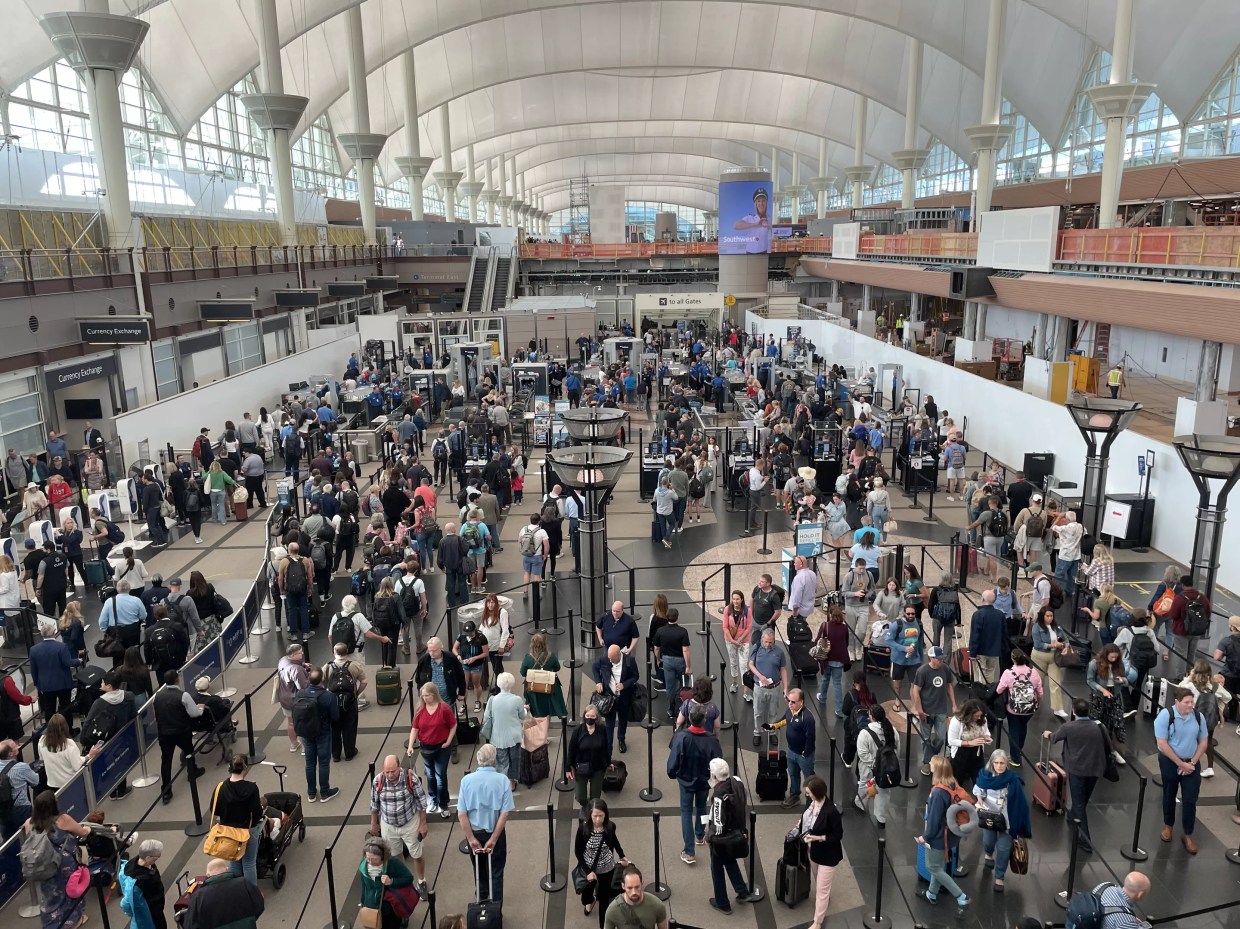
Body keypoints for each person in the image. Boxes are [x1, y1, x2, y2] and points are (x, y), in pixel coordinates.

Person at [1044, 698, 1112, 853]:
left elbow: (1054, 738)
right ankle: (1073, 815)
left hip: (1077, 770)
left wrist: (1048, 734)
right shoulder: (1099, 726)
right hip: (1095, 768)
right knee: (1083, 798)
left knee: (1080, 803)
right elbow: (1108, 744)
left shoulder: (1068, 727)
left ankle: (1086, 840)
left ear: (1073, 711)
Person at [457, 743, 515, 904]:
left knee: (479, 870)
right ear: (494, 760)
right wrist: (494, 839)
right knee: (496, 872)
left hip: (475, 833)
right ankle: (496, 908)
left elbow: (462, 814)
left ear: (478, 759)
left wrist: (470, 839)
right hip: (494, 831)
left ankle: (481, 902)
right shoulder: (502, 780)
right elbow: (504, 813)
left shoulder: (466, 781)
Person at [26, 789, 93, 929]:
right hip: (64, 864)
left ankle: (52, 924)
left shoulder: (29, 823)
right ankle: (73, 921)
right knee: (70, 891)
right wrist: (88, 829)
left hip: (43, 865)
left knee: (50, 895)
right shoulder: (62, 820)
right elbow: (82, 832)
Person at [1154, 687, 1209, 855]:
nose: (1191, 705)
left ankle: (1188, 833)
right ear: (1177, 702)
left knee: (1190, 799)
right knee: (1169, 793)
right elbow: (1162, 743)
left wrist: (1192, 762)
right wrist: (1180, 763)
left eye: (1192, 702)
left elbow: (1203, 741)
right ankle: (1168, 825)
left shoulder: (1198, 717)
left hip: (1191, 763)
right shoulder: (1165, 716)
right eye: (1187, 702)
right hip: (1170, 762)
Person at [916, 755, 971, 914]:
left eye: (932, 764)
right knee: (937, 865)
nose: (930, 766)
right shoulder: (952, 782)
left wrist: (925, 837)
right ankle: (931, 894)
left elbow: (933, 821)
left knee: (933, 867)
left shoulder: (938, 793)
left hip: (940, 837)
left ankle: (961, 896)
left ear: (938, 769)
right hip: (952, 834)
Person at [667, 705, 722, 865]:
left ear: (690, 718)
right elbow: (718, 759)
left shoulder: (681, 736)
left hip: (685, 781)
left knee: (685, 812)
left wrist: (672, 773)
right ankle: (700, 835)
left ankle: (689, 851)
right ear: (704, 720)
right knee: (702, 808)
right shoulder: (711, 739)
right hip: (704, 781)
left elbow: (673, 760)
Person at [972, 749, 1033, 894]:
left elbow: (1020, 801)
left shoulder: (1013, 780)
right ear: (992, 763)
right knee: (988, 842)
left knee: (1004, 850)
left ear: (1006, 764)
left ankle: (999, 877)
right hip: (989, 817)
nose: (999, 766)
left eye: (1002, 763)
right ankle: (988, 854)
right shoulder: (984, 776)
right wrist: (979, 798)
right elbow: (978, 789)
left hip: (1007, 820)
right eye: (997, 763)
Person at [369, 754, 429, 892]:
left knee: (417, 854)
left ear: (399, 768)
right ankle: (404, 879)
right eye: (387, 771)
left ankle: (421, 881)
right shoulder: (378, 780)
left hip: (410, 823)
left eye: (393, 771)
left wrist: (423, 824)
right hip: (388, 825)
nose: (390, 775)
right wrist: (374, 823)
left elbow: (421, 802)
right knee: (395, 856)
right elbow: (374, 804)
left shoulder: (410, 778)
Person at [702, 759, 753, 913]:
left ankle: (722, 902)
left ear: (714, 776)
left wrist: (709, 837)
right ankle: (741, 890)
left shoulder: (718, 795)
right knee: (728, 859)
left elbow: (718, 824)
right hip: (736, 831)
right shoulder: (737, 782)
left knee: (716, 868)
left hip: (722, 838)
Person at [207, 754, 265, 885]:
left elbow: (214, 810)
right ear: (245, 768)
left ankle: (237, 890)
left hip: (227, 832)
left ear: (229, 767)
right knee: (249, 863)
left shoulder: (220, 787)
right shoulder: (251, 788)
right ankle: (251, 894)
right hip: (247, 831)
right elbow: (257, 813)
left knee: (233, 860)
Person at [152, 670, 207, 804]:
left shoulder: (157, 696)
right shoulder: (184, 695)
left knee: (166, 761)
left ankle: (166, 792)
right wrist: (201, 709)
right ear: (177, 680)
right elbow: (194, 714)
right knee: (189, 752)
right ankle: (192, 772)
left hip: (164, 733)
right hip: (182, 731)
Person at [797, 774, 843, 929]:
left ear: (816, 793)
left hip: (828, 855)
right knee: (819, 882)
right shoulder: (812, 802)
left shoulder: (831, 812)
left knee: (822, 890)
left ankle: (817, 922)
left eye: (808, 792)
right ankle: (824, 900)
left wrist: (819, 837)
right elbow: (807, 818)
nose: (806, 795)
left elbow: (837, 835)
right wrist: (801, 824)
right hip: (813, 851)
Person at [408, 681, 456, 818]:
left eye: (427, 695)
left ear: (434, 694)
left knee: (440, 775)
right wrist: (411, 745)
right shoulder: (420, 709)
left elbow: (453, 725)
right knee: (430, 775)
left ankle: (443, 803)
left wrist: (448, 741)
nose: (425, 698)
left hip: (442, 747)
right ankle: (433, 800)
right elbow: (415, 728)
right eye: (423, 696)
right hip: (426, 747)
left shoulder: (444, 708)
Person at [293, 667, 340, 803]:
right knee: (324, 763)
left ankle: (311, 793)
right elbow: (335, 716)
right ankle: (325, 792)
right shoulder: (328, 696)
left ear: (309, 680)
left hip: (306, 732)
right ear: (322, 679)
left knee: (310, 763)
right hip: (323, 732)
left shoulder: (301, 693)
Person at [181, 856, 266, 929]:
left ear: (208, 875)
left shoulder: (199, 896)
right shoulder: (244, 883)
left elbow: (190, 925)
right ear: (226, 870)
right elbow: (259, 905)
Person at [910, 646, 957, 776]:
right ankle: (927, 761)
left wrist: (953, 704)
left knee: (941, 737)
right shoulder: (922, 671)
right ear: (931, 658)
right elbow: (916, 691)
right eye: (939, 659)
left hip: (941, 709)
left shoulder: (945, 669)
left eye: (942, 658)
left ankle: (934, 756)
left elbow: (948, 685)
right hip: (927, 711)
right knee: (925, 738)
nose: (941, 661)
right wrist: (919, 710)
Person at [995, 650, 1043, 767]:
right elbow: (1040, 692)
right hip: (1030, 709)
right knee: (1023, 727)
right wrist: (1038, 703)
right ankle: (1019, 748)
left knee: (1013, 731)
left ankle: (1015, 759)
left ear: (1013, 659)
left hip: (1014, 709)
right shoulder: (1034, 673)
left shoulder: (1008, 673)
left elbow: (999, 690)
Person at [356, 836, 416, 929]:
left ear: (383, 856)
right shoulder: (363, 865)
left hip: (389, 907)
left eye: (375, 859)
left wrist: (391, 881)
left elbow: (408, 878)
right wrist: (363, 902)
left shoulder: (393, 862)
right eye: (368, 858)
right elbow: (364, 886)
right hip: (371, 905)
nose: (370, 862)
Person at [591, 644, 639, 755]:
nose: (610, 660)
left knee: (623, 719)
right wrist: (598, 681)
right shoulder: (604, 659)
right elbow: (594, 667)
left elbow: (635, 676)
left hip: (624, 697)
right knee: (609, 722)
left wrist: (624, 685)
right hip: (609, 697)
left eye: (612, 659)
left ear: (619, 655)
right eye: (609, 658)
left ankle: (621, 739)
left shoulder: (630, 661)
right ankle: (608, 747)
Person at [1087, 644, 1130, 763]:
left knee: (1115, 721)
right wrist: (1102, 690)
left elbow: (1126, 680)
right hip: (1099, 696)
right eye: (1111, 657)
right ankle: (1096, 750)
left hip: (1114, 694)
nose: (1114, 659)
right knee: (1098, 722)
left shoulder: (1119, 664)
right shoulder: (1094, 663)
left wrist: (1123, 680)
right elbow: (1089, 680)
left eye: (1116, 657)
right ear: (1106, 655)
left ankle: (1113, 750)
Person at [854, 704, 898, 824]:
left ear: (872, 717)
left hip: (868, 769)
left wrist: (875, 765)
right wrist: (886, 766)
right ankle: (880, 818)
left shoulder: (864, 733)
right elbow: (896, 749)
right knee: (883, 792)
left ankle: (860, 804)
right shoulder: (892, 730)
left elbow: (862, 754)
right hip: (886, 770)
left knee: (864, 785)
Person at [323, 642, 366, 762]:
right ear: (347, 652)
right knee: (350, 726)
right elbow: (364, 681)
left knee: (334, 727)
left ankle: (335, 754)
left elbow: (321, 683)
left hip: (332, 702)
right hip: (349, 701)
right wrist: (356, 693)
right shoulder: (354, 665)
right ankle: (349, 752)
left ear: (334, 652)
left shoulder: (327, 666)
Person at [30, 621, 78, 728]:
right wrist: (78, 660)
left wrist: (37, 684)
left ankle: (51, 731)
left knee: (49, 708)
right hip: (63, 683)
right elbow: (68, 663)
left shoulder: (34, 650)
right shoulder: (61, 647)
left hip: (46, 685)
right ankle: (68, 730)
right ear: (54, 633)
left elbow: (33, 669)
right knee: (65, 707)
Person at [483, 672, 526, 789]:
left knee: (502, 762)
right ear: (511, 684)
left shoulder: (492, 700)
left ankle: (503, 783)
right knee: (514, 760)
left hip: (497, 737)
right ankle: (512, 783)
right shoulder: (517, 699)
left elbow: (486, 717)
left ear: (498, 684)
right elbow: (522, 716)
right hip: (514, 736)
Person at [747, 627, 788, 748]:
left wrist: (785, 688)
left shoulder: (779, 652)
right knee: (758, 712)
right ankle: (757, 732)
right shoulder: (756, 648)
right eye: (766, 641)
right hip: (759, 687)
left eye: (770, 642)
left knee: (773, 712)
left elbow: (783, 670)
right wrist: (760, 676)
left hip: (774, 687)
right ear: (762, 639)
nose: (768, 644)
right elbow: (750, 664)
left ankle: (772, 731)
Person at [567, 705, 611, 810]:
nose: (589, 718)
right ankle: (588, 807)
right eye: (587, 715)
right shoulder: (578, 730)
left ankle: (592, 811)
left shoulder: (602, 729)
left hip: (598, 768)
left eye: (592, 716)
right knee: (580, 797)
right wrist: (567, 768)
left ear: (596, 717)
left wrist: (608, 763)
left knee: (595, 798)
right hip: (581, 767)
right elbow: (571, 749)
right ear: (584, 716)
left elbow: (605, 748)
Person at [1167, 575, 1210, 680]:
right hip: (1196, 631)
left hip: (1181, 631)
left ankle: (1181, 678)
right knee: (1191, 653)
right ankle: (1190, 675)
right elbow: (1208, 612)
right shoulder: (1202, 597)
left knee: (1181, 654)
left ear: (1182, 585)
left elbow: (1173, 615)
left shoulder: (1180, 598)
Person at [652, 608, 691, 719]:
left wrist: (658, 659)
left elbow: (656, 649)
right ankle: (683, 707)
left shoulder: (660, 631)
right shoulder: (683, 631)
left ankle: (671, 708)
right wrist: (688, 666)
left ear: (667, 617)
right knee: (684, 684)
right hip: (680, 661)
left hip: (667, 661)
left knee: (670, 686)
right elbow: (686, 650)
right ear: (677, 617)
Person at [780, 688, 815, 808]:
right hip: (791, 751)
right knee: (793, 774)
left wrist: (805, 753)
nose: (790, 703)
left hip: (803, 755)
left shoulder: (808, 718)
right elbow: (784, 719)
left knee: (808, 778)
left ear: (802, 702)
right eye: (789, 700)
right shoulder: (790, 710)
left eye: (793, 702)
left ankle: (811, 800)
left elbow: (811, 738)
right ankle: (795, 795)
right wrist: (773, 725)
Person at [885, 606, 925, 712]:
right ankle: (897, 700)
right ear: (904, 613)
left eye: (913, 614)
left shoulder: (919, 624)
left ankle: (915, 705)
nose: (911, 616)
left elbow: (920, 641)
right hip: (899, 660)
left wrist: (921, 656)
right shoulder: (896, 625)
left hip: (914, 660)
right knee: (898, 682)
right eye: (908, 614)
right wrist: (903, 648)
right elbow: (888, 640)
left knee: (915, 684)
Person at [603, 865, 669, 929]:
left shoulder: (657, 905)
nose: (634, 892)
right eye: (629, 888)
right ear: (623, 886)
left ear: (642, 883)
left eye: (637, 887)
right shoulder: (612, 910)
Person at [121, 838, 168, 929]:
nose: (157, 859)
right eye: (156, 858)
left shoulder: (137, 863)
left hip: (157, 909)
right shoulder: (139, 882)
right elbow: (126, 903)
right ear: (148, 858)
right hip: (151, 914)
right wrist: (137, 914)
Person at [38, 713, 91, 791]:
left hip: (53, 784)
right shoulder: (69, 744)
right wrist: (89, 756)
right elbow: (77, 765)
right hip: (70, 784)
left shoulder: (42, 741)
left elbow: (42, 759)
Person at [520, 632, 567, 719]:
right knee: (548, 708)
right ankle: (547, 724)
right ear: (545, 643)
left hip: (534, 689)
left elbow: (522, 673)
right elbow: (557, 668)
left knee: (537, 710)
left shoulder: (528, 658)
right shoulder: (551, 656)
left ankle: (540, 726)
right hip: (549, 687)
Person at [968, 589, 1008, 687]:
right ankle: (988, 692)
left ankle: (980, 694)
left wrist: (972, 652)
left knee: (980, 674)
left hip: (981, 651)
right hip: (994, 651)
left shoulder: (978, 615)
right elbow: (1004, 634)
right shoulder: (1000, 615)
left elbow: (975, 635)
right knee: (990, 673)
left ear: (982, 599)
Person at [278, 542, 315, 640]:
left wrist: (281, 589)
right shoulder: (305, 560)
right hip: (302, 588)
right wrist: (310, 588)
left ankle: (293, 634)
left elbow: (280, 578)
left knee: (292, 610)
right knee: (303, 608)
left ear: (289, 551)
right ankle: (306, 632)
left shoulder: (284, 561)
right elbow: (310, 576)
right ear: (298, 550)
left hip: (289, 589)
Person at [722, 590, 753, 696]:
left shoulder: (747, 611)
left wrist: (739, 639)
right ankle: (734, 683)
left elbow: (749, 627)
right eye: (734, 599)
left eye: (737, 599)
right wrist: (732, 640)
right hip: (730, 641)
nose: (735, 601)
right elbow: (725, 627)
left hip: (743, 642)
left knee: (744, 665)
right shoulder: (727, 609)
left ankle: (746, 691)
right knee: (733, 662)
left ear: (742, 599)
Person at [1212, 615, 1240, 728]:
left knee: (1223, 692)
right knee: (1236, 695)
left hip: (1228, 674)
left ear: (1232, 627)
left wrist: (1225, 653)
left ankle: (1221, 714)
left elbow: (1216, 657)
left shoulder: (1227, 640)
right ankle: (1234, 714)